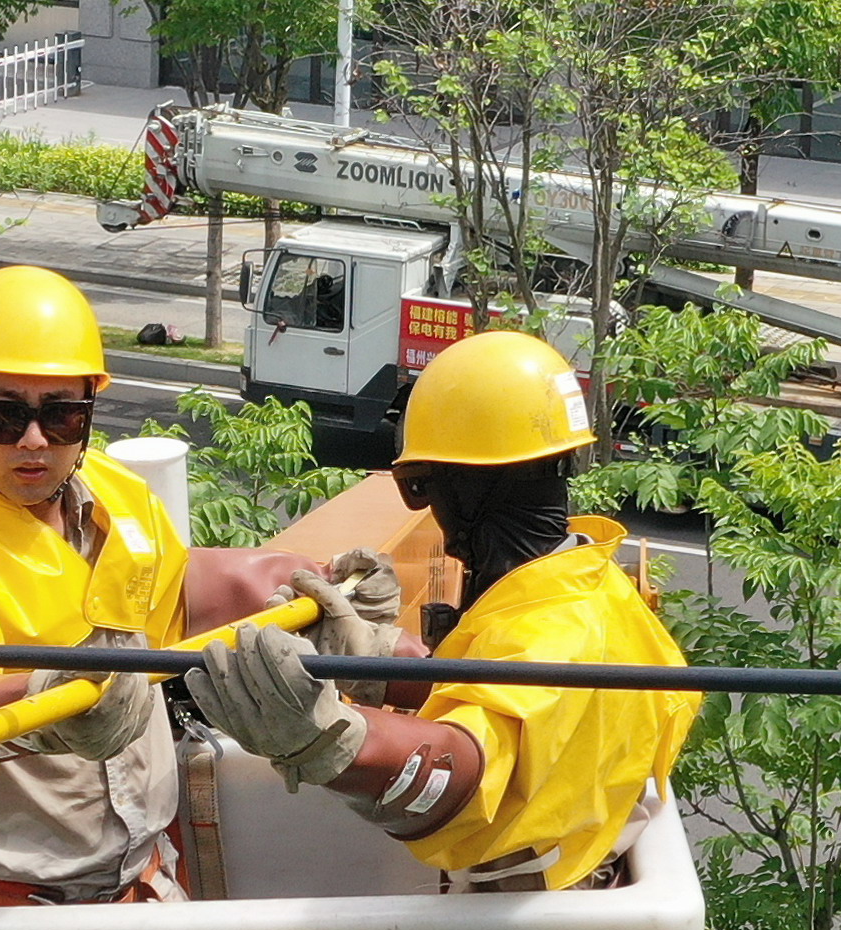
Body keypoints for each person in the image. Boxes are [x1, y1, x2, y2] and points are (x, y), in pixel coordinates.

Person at [0, 265, 397, 908]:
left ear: (90, 409)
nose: (33, 440)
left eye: (62, 415)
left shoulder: (116, 500)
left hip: (142, 877)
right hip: (5, 904)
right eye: (1, 414)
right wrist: (46, 703)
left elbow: (182, 595)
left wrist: (316, 588)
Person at [184, 330, 699, 892]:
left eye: (420, 486)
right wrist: (377, 661)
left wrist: (332, 738)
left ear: (466, 487)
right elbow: (496, 694)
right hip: (572, 873)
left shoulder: (557, 634)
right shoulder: (583, 587)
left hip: (531, 924)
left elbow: (465, 772)